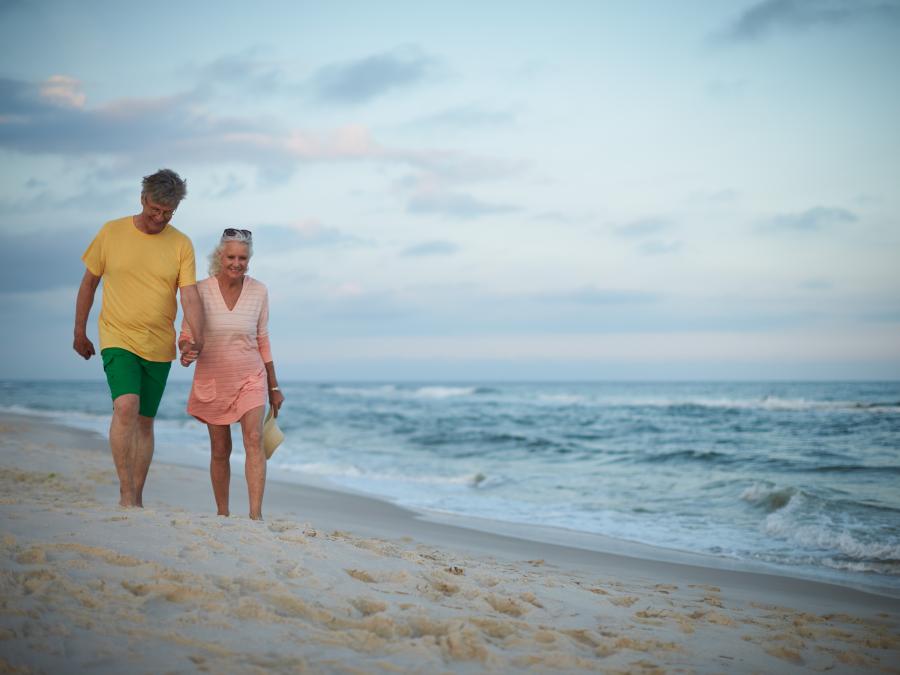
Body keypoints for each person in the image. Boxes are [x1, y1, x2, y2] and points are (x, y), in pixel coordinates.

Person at [73, 169, 205, 507]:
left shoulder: (180, 244)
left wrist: (197, 337)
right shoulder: (111, 232)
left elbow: (188, 295)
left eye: (167, 213)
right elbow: (89, 283)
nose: (160, 218)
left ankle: (138, 494)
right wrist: (80, 331)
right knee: (126, 406)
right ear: (143, 199)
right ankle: (126, 493)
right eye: (154, 210)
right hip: (117, 336)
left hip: (159, 344)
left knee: (145, 422)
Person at [179, 228, 284, 520]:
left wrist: (274, 387)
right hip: (213, 377)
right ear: (219, 256)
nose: (237, 263)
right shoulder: (199, 290)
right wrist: (187, 350)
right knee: (220, 448)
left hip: (251, 376)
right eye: (231, 257)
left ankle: (255, 517)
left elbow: (263, 338)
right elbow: (186, 335)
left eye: (243, 257)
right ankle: (222, 513)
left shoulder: (259, 291)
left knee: (253, 438)